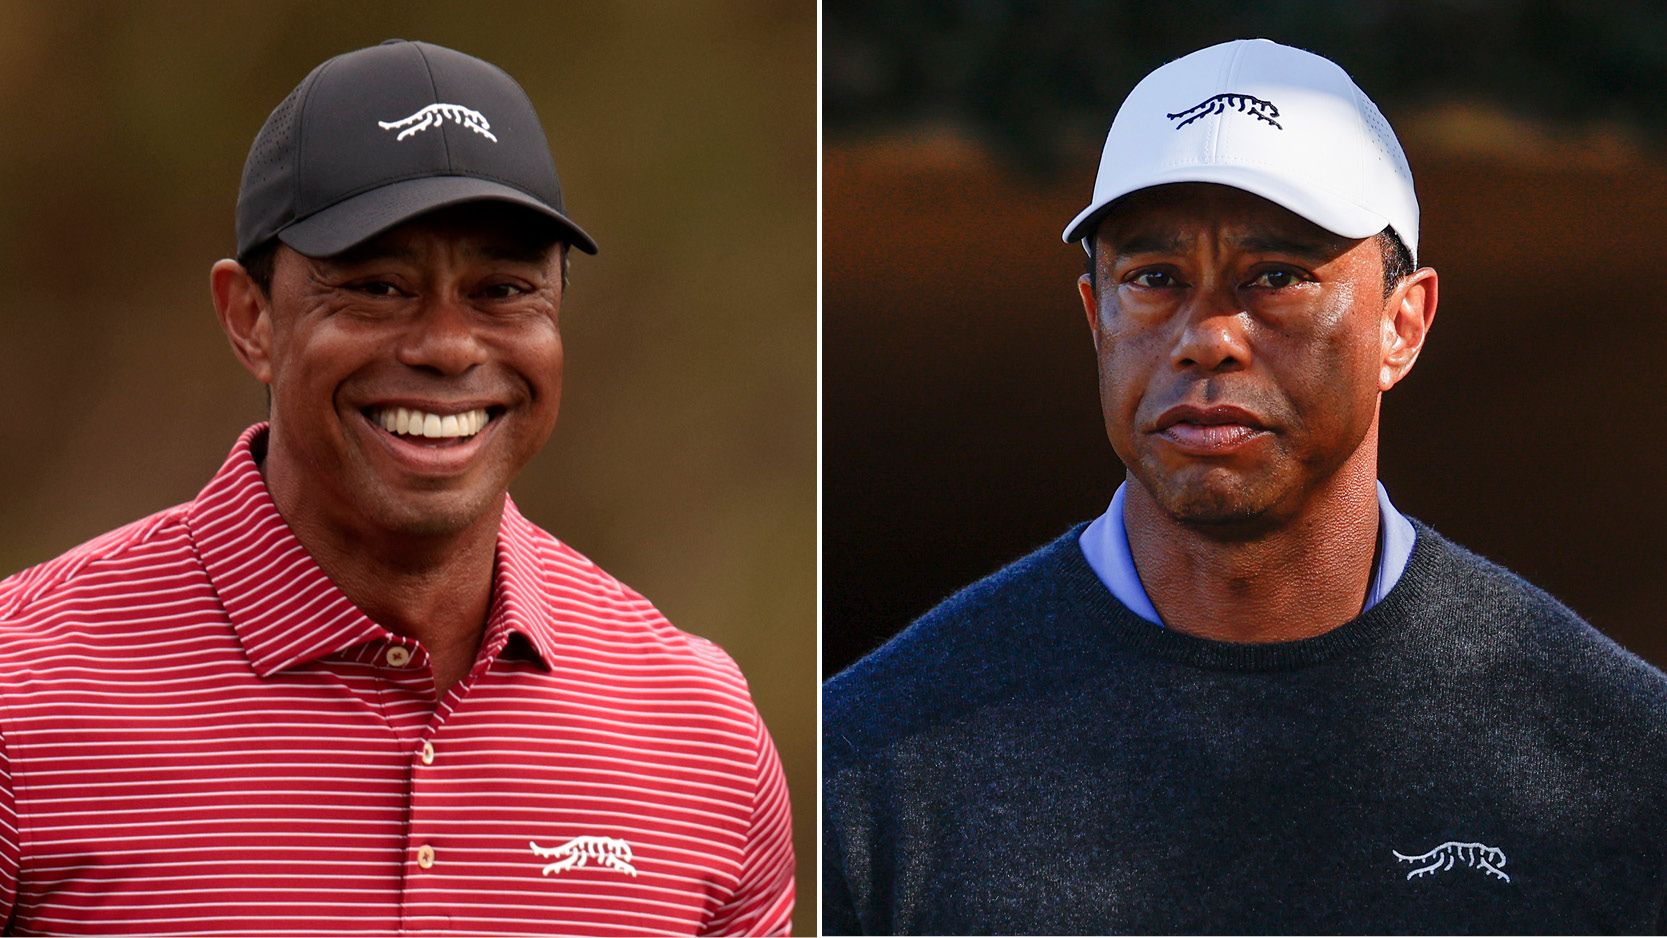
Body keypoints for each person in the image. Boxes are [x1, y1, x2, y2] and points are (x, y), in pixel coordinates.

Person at [823, 38, 1667, 935]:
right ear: (1096, 321)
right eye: (1154, 279)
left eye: (1276, 277)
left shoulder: (1623, 761)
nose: (1208, 337)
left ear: (1402, 325)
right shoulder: (867, 767)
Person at [0, 40, 792, 935]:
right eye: (378, 287)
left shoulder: (697, 727)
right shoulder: (23, 696)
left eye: (503, 290)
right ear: (251, 319)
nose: (448, 346)